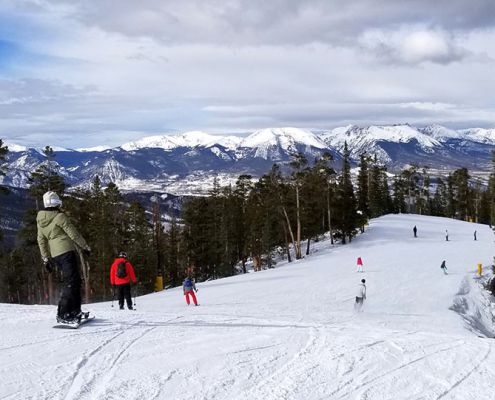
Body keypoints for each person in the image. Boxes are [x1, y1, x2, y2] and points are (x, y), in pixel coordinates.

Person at [36, 191, 91, 323]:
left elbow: (41, 240)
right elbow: (73, 234)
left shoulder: (40, 219)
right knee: (72, 283)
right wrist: (85, 247)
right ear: (57, 202)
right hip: (67, 252)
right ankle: (63, 313)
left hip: (56, 255)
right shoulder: (60, 216)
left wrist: (46, 258)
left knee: (75, 281)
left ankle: (75, 310)